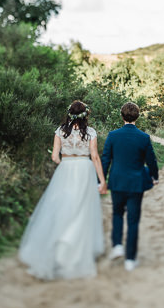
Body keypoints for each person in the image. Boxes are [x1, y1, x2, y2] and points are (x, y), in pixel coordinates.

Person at [18, 101, 107, 280]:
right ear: (85, 115)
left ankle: (58, 248)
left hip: (66, 168)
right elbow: (95, 156)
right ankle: (73, 251)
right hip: (84, 169)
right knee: (80, 210)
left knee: (62, 208)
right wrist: (102, 180)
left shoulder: (60, 131)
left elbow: (54, 156)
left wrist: (64, 164)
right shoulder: (90, 132)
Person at [101, 102, 159, 271]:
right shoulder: (143, 137)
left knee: (117, 214)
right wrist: (154, 176)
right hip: (136, 184)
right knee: (133, 220)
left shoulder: (112, 136)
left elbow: (105, 159)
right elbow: (151, 160)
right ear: (137, 116)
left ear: (122, 116)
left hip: (117, 182)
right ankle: (130, 260)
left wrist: (102, 180)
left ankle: (117, 245)